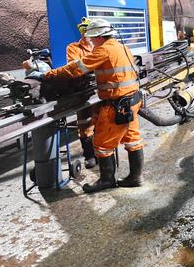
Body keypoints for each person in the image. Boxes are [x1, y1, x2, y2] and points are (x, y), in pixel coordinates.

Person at [39, 19, 144, 193]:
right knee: (132, 139)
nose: (92, 41)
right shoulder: (121, 47)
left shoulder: (104, 50)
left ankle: (107, 180)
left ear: (100, 37)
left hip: (117, 105)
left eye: (93, 38)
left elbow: (76, 69)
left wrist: (47, 75)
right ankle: (136, 177)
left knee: (102, 144)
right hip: (132, 100)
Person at [67, 18, 97, 169]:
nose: (85, 33)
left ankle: (102, 151)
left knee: (102, 119)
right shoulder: (73, 48)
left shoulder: (100, 47)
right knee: (84, 123)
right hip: (83, 91)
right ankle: (89, 154)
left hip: (100, 89)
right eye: (82, 30)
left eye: (87, 30)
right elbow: (76, 67)